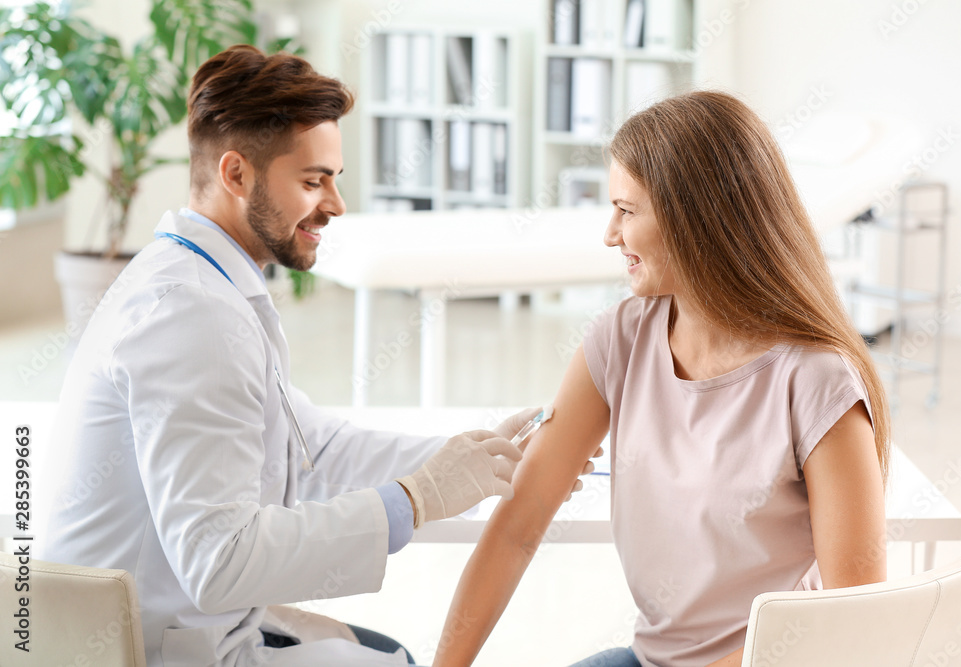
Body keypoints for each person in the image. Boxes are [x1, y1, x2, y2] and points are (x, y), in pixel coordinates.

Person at [38, 44, 587, 666]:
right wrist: (416, 498)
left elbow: (312, 445)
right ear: (236, 174)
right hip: (155, 651)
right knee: (401, 660)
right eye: (311, 180)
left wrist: (482, 458)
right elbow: (219, 562)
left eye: (334, 178)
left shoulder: (203, 279)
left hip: (188, 626)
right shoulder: (190, 315)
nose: (335, 204)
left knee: (385, 650)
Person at [432, 91, 892, 667]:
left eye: (626, 211)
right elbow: (517, 526)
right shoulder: (621, 338)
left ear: (696, 220)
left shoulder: (816, 381)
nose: (609, 234)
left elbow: (854, 620)